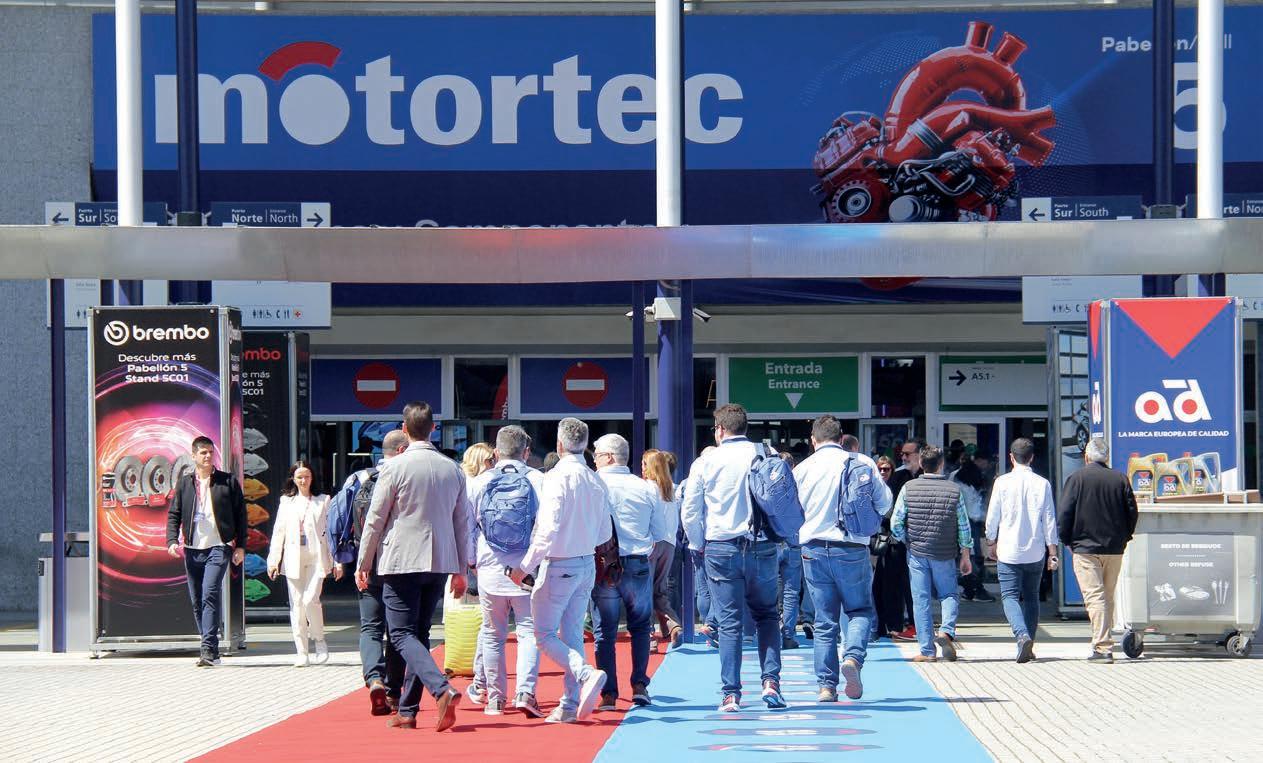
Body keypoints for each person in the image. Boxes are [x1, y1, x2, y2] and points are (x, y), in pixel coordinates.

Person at [356, 401, 470, 732]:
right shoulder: (453, 469)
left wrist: (364, 562)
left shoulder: (394, 468)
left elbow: (375, 520)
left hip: (401, 559)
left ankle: (441, 689)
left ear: (404, 429)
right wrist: (462, 569)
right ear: (433, 428)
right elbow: (462, 523)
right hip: (439, 560)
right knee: (419, 633)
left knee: (401, 633)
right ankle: (407, 709)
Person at [681, 404, 786, 713]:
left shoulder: (706, 461)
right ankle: (771, 682)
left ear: (720, 429)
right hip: (762, 544)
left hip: (721, 546)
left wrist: (698, 544)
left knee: (729, 623)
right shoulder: (766, 454)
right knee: (767, 615)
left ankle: (731, 694)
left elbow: (690, 510)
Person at [509, 417, 611, 724]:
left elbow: (548, 529)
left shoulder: (556, 477)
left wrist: (524, 567)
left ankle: (584, 675)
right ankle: (569, 702)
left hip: (560, 563)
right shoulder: (596, 479)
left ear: (559, 445)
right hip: (585, 562)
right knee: (572, 634)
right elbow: (604, 533)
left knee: (543, 635)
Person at [794, 417, 892, 701]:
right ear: (841, 438)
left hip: (813, 547)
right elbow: (885, 503)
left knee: (824, 619)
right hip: (851, 546)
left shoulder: (803, 468)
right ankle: (852, 658)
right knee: (859, 610)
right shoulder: (862, 462)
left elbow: (791, 510)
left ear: (813, 440)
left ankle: (826, 686)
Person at [466, 426, 545, 715]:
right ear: (526, 452)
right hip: (526, 569)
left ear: (496, 452)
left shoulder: (479, 483)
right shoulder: (538, 480)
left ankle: (495, 699)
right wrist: (534, 563)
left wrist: (471, 562)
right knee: (528, 631)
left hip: (489, 567)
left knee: (492, 634)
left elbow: (467, 527)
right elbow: (546, 528)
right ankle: (525, 692)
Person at [329, 428, 408, 715]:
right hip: (399, 563)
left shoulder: (359, 478)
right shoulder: (405, 477)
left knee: (370, 626)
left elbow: (337, 517)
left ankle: (374, 678)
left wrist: (342, 556)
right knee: (398, 629)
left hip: (367, 564)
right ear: (401, 451)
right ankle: (394, 691)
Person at [592, 433, 664, 709]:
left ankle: (609, 693)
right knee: (641, 626)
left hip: (603, 564)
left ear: (609, 457)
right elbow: (659, 531)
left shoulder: (594, 484)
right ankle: (639, 684)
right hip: (637, 561)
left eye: (598, 454)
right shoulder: (645, 487)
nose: (594, 459)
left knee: (604, 631)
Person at [166, 435, 247, 667]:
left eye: (211, 452)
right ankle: (210, 646)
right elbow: (174, 514)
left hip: (219, 545)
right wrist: (171, 540)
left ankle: (208, 650)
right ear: (193, 456)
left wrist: (240, 545)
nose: (208, 456)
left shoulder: (227, 481)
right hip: (193, 548)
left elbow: (241, 514)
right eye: (203, 452)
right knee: (197, 599)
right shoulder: (185, 483)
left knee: (210, 593)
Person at [1058, 438, 1138, 663]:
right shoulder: (1120, 479)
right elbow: (1132, 512)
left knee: (1095, 597)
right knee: (1106, 596)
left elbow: (1065, 513)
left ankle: (1102, 647)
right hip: (1114, 548)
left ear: (1086, 456)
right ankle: (1103, 640)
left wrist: (1067, 540)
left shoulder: (1076, 479)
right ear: (1107, 457)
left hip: (1085, 548)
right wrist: (1125, 537)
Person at [891, 446, 972, 663]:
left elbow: (896, 523)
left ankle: (927, 651)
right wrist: (965, 553)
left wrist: (908, 539)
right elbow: (963, 526)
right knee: (949, 594)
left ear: (921, 464)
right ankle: (946, 631)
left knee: (921, 600)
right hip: (945, 552)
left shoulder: (909, 487)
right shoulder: (954, 490)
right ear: (941, 464)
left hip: (917, 552)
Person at [984, 438, 1058, 664]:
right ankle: (1029, 643)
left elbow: (993, 515)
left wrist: (990, 541)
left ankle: (1021, 635)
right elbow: (1049, 519)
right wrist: (1052, 551)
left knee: (1009, 596)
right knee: (1032, 597)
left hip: (1008, 549)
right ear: (1032, 457)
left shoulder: (1002, 482)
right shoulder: (1043, 483)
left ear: (1011, 457)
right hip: (1035, 550)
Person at [268, 460, 339, 667]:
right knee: (297, 604)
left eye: (307, 476)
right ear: (293, 479)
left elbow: (330, 533)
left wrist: (336, 561)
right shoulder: (286, 502)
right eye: (299, 477)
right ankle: (302, 651)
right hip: (293, 556)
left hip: (316, 556)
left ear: (312, 478)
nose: (303, 480)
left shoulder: (323, 500)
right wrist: (273, 560)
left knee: (310, 600)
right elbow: (278, 532)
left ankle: (319, 639)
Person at [873, 440, 922, 641]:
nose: (903, 457)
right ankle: (892, 624)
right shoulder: (899, 476)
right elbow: (889, 508)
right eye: (902, 454)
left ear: (919, 454)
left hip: (920, 540)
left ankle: (916, 624)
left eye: (907, 454)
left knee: (917, 586)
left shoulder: (925, 476)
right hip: (896, 540)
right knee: (889, 583)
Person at [459, 441, 494, 705]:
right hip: (510, 559)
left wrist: (469, 562)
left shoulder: (468, 486)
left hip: (481, 559)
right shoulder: (498, 481)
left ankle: (481, 679)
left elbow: (467, 528)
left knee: (490, 623)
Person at [642, 449, 684, 650]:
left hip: (651, 542)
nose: (641, 468)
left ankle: (649, 636)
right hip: (669, 543)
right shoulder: (670, 490)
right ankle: (673, 624)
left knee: (645, 591)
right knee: (659, 590)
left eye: (644, 464)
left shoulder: (645, 488)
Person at [683, 445, 719, 646]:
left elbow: (689, 512)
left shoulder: (693, 477)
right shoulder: (720, 479)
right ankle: (712, 625)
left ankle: (708, 624)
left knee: (703, 588)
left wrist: (696, 541)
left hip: (698, 539)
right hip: (713, 539)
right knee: (719, 588)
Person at [952, 458, 995, 602]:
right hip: (969, 524)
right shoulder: (967, 489)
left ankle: (969, 589)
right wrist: (986, 517)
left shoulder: (956, 480)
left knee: (969, 556)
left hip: (961, 524)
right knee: (974, 557)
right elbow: (974, 512)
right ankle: (976, 588)